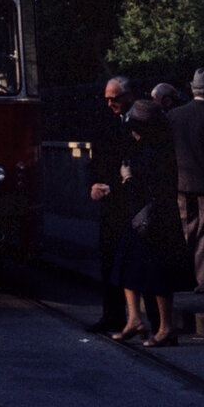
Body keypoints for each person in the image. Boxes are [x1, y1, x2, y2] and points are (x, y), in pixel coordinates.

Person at [110, 100, 191, 347]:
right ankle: (135, 318)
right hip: (145, 218)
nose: (132, 132)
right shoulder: (154, 146)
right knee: (128, 267)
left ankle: (166, 328)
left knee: (158, 273)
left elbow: (150, 188)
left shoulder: (155, 151)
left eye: (135, 127)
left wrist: (128, 179)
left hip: (155, 220)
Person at [85, 77, 136, 333]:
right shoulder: (104, 121)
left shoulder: (141, 120)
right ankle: (112, 315)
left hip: (133, 202)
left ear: (128, 96)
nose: (109, 103)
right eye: (106, 98)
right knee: (109, 258)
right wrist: (94, 184)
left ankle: (146, 319)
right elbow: (95, 160)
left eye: (114, 99)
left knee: (136, 261)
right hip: (109, 203)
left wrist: (116, 185)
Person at [168, 68, 204, 292]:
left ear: (191, 89)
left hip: (180, 182)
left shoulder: (174, 115)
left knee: (184, 228)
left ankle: (182, 276)